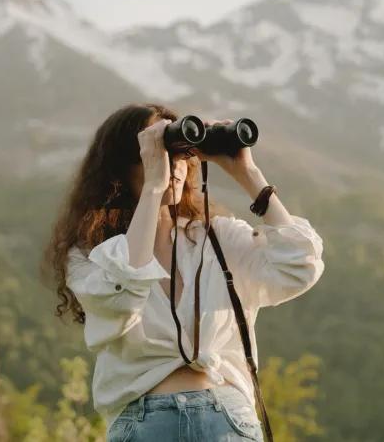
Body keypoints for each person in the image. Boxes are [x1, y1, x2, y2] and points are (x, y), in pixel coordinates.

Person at [44, 103, 325, 442]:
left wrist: (248, 173)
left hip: (227, 420)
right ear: (121, 165)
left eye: (180, 153)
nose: (174, 165)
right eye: (159, 152)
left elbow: (299, 265)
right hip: (143, 425)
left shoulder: (217, 239)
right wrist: (153, 188)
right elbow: (122, 300)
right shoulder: (90, 256)